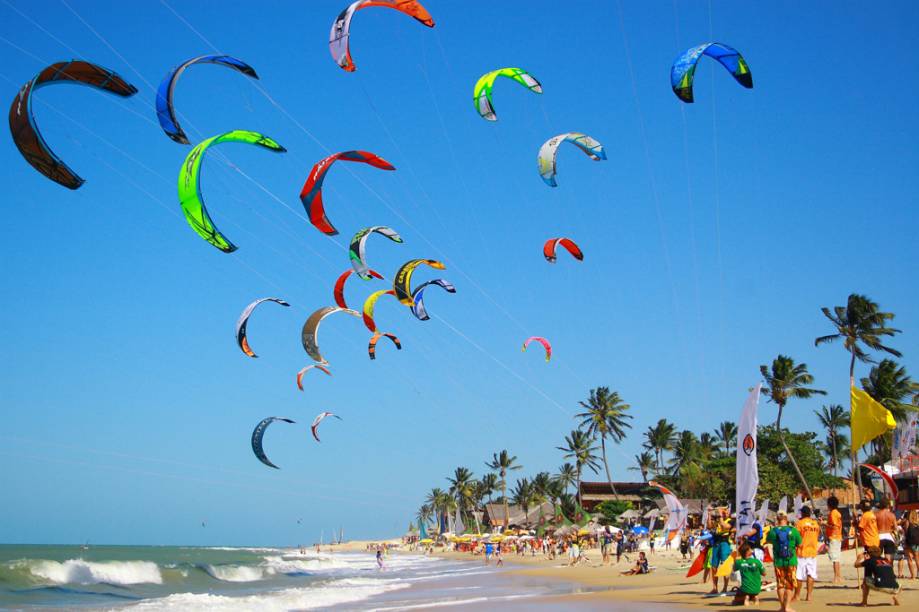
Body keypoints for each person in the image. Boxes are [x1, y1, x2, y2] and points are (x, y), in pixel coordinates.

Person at [766, 511, 802, 612]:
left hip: (778, 561)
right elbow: (799, 544)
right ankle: (787, 606)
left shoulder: (773, 531)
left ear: (777, 519)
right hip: (791, 560)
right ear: (786, 518)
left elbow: (768, 541)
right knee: (790, 584)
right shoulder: (793, 530)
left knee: (780, 584)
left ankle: (782, 607)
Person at [794, 505, 820, 602]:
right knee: (811, 574)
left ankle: (797, 595)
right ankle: (809, 596)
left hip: (802, 552)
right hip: (813, 552)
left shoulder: (800, 523)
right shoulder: (815, 524)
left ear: (803, 513)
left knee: (799, 575)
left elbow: (796, 538)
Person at [708, 508, 733, 595]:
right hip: (716, 544)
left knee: (725, 565)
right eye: (723, 512)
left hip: (725, 543)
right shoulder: (718, 520)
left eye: (725, 512)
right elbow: (710, 527)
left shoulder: (731, 521)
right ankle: (715, 588)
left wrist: (720, 516)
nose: (724, 514)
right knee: (714, 567)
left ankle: (725, 587)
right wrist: (709, 514)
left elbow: (724, 526)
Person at [822, 495, 844, 584]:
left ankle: (836, 577)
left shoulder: (833, 513)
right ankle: (838, 576)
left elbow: (835, 526)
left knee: (835, 558)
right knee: (837, 558)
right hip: (837, 536)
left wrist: (824, 524)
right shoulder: (836, 512)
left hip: (834, 537)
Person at [902, 509, 919, 580]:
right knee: (917, 558)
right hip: (917, 542)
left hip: (909, 542)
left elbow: (906, 532)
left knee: (910, 558)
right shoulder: (917, 522)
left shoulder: (907, 522)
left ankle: (913, 576)